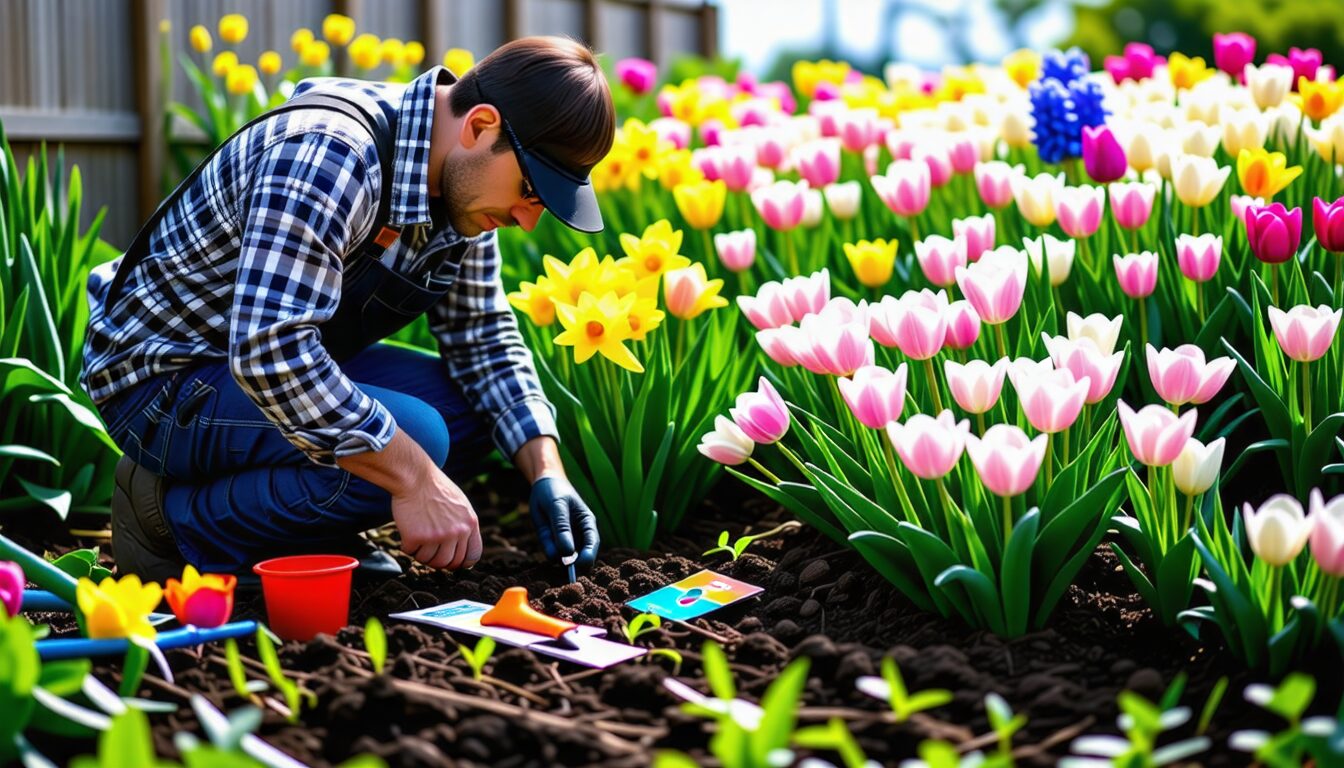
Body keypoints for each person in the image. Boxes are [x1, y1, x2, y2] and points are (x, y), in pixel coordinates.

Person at [80, 36, 612, 582]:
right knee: (417, 441)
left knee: (474, 415)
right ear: (480, 126)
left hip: (260, 374)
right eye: (529, 190)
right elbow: (271, 350)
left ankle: (306, 532)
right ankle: (170, 518)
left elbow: (482, 338)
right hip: (164, 383)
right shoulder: (332, 155)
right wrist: (414, 478)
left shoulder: (464, 192)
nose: (528, 219)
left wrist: (548, 472)